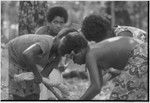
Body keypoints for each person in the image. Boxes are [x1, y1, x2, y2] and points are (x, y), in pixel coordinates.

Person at [56, 30, 147, 100]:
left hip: (140, 53)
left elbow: (96, 87)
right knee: (133, 95)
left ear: (77, 51)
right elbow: (98, 84)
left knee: (118, 97)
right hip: (142, 52)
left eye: (72, 58)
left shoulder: (90, 55)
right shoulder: (94, 52)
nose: (74, 62)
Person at [7, 28, 76, 100]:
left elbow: (43, 77)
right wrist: (37, 74)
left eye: (68, 50)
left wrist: (59, 95)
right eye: (65, 45)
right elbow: (27, 54)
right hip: (12, 55)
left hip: (25, 63)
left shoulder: (57, 57)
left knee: (34, 93)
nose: (65, 50)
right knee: (20, 94)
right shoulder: (46, 42)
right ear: (59, 37)